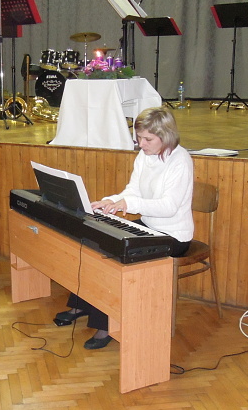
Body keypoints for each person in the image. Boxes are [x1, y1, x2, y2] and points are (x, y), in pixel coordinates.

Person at [55, 107, 194, 349]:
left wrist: (128, 204)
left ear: (166, 136)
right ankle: (81, 304)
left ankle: (106, 325)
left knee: (114, 257)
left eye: (148, 139)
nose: (141, 144)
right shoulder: (145, 156)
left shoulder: (180, 161)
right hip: (149, 227)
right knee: (95, 242)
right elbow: (133, 191)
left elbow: (169, 207)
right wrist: (110, 201)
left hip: (173, 235)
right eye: (138, 138)